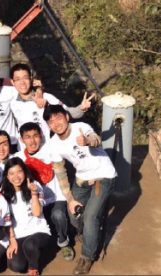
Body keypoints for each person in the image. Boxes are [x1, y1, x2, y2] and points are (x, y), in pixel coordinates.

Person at [44, 105, 116, 275]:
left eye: (58, 118)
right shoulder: (53, 144)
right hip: (82, 179)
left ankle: (87, 256)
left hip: (102, 176)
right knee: (73, 214)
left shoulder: (80, 127)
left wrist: (88, 141)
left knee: (90, 216)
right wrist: (69, 199)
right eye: (51, 121)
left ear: (67, 117)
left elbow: (95, 138)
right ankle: (88, 232)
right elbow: (60, 173)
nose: (56, 123)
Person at [17, 122, 74, 262]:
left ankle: (64, 242)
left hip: (56, 197)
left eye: (35, 136)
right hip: (34, 201)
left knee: (58, 215)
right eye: (28, 137)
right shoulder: (18, 158)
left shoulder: (50, 149)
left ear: (41, 136)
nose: (32, 141)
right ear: (21, 139)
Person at [8, 63, 94, 142]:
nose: (22, 82)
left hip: (49, 147)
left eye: (25, 78)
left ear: (31, 79)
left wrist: (81, 108)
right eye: (17, 79)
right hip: (25, 148)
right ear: (12, 82)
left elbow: (67, 113)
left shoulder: (47, 97)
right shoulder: (12, 102)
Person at [1, 157, 51, 276]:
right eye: (11, 173)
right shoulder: (3, 193)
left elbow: (37, 213)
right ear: (7, 176)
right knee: (16, 265)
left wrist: (34, 193)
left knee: (30, 245)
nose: (16, 176)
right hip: (19, 234)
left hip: (39, 231)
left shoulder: (35, 185)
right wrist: (12, 240)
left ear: (24, 172)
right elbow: (7, 220)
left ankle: (33, 267)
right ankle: (32, 254)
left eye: (19, 171)